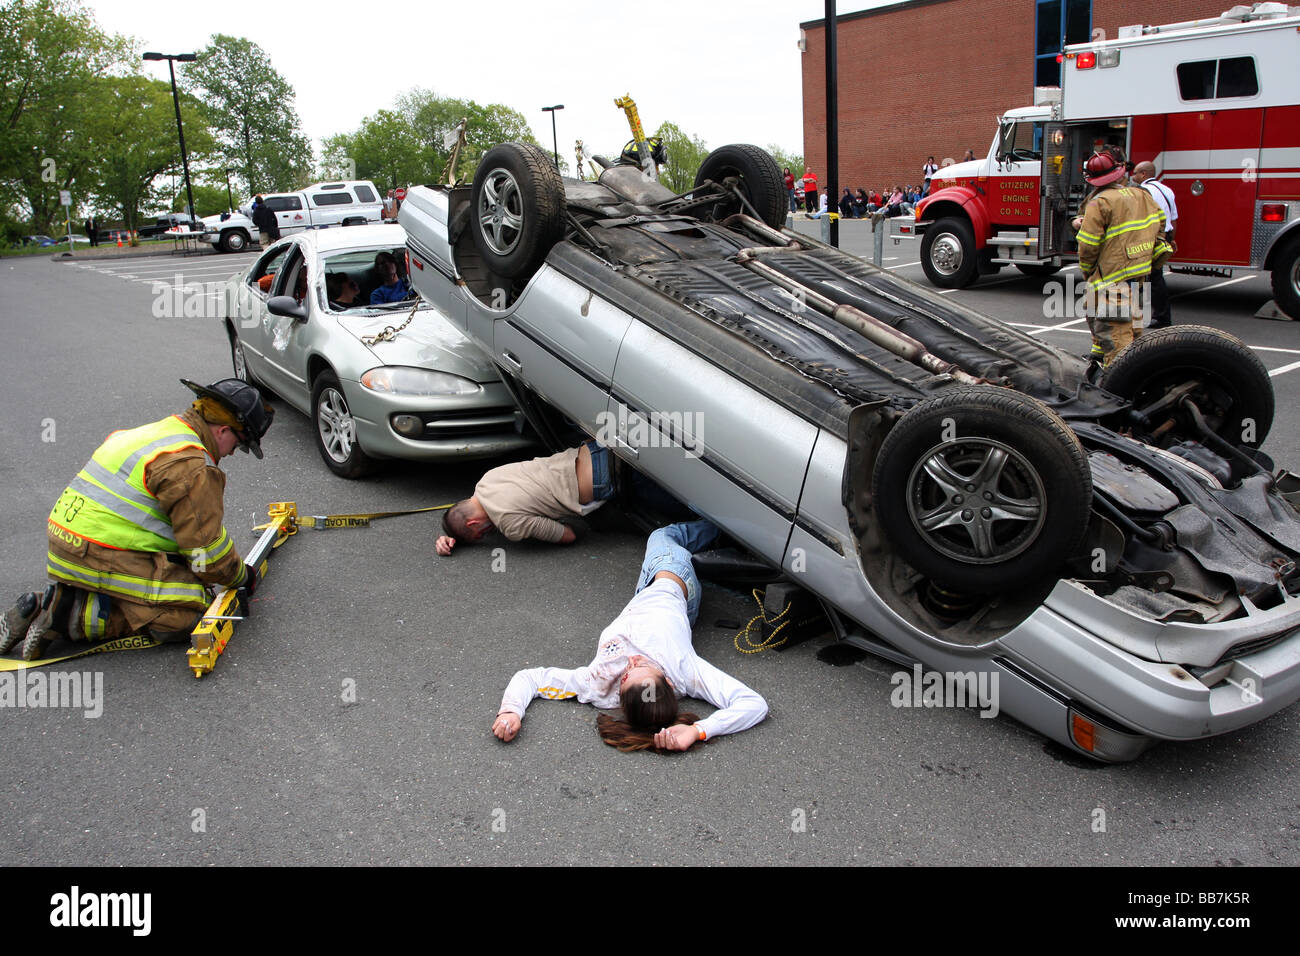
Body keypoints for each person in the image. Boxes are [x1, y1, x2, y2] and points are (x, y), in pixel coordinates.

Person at [0, 379, 274, 661]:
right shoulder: (189, 464)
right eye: (239, 445)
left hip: (65, 541)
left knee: (176, 581)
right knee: (191, 609)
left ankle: (69, 598)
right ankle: (68, 614)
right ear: (224, 429)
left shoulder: (159, 433)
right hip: (95, 550)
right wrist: (241, 575)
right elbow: (205, 553)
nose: (231, 453)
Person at [492, 520, 768, 752]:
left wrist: (511, 711)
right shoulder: (684, 669)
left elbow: (532, 679)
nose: (633, 661)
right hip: (671, 579)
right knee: (664, 536)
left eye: (626, 675)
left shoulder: (598, 685)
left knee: (659, 538)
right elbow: (754, 704)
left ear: (619, 697)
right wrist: (698, 731)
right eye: (645, 666)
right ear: (669, 683)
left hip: (642, 595)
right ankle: (731, 525)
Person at [1073, 147, 1169, 366]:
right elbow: (1161, 224)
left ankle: (1118, 384)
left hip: (1112, 276)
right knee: (1131, 327)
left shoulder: (1100, 202)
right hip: (1138, 272)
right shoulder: (1141, 195)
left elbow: (1087, 245)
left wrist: (1089, 271)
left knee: (1117, 338)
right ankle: (1119, 363)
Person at [435, 441, 615, 555]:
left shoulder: (510, 524)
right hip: (593, 449)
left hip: (605, 477)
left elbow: (568, 535)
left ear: (472, 524)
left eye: (481, 535)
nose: (488, 535)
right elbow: (468, 516)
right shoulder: (486, 480)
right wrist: (454, 536)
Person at [1131, 160, 1179, 330]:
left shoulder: (1142, 191)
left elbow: (1139, 218)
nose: (1133, 176)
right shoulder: (1167, 190)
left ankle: (1138, 316)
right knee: (1156, 277)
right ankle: (1162, 316)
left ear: (1144, 174)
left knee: (1138, 276)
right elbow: (1173, 218)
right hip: (1163, 237)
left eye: (1135, 173)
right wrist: (1171, 239)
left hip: (1148, 238)